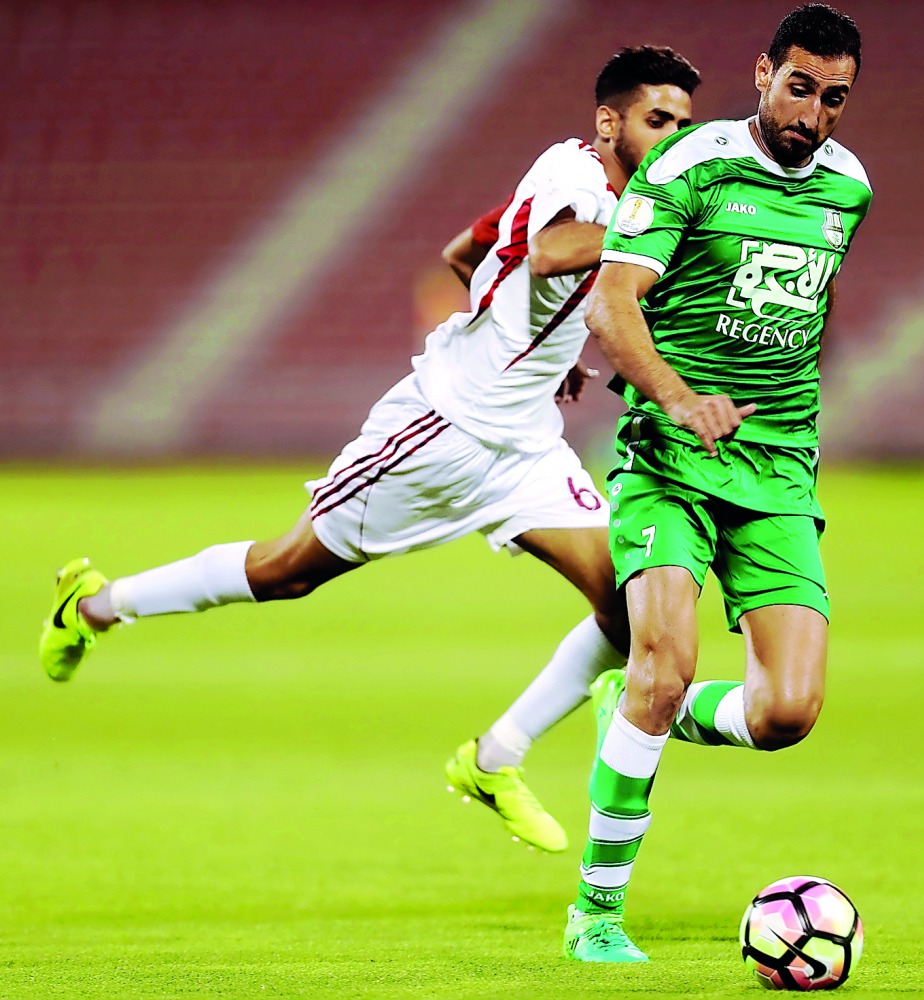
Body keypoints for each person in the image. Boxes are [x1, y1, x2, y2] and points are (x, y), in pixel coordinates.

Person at [39, 46, 702, 856]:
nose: (671, 137)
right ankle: (96, 606)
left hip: (524, 447)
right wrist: (648, 236)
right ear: (610, 123)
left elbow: (469, 250)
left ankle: (493, 759)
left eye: (682, 125)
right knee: (287, 571)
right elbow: (550, 252)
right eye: (656, 120)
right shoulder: (583, 186)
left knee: (627, 609)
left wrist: (543, 354)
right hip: (439, 431)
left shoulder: (587, 178)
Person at [561, 4, 872, 963]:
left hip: (776, 468)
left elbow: (789, 317)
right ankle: (596, 913)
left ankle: (637, 707)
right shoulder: (689, 166)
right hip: (668, 454)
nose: (812, 113)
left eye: (833, 98)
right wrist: (676, 395)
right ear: (762, 72)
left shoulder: (849, 188)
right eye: (797, 87)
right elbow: (614, 302)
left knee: (787, 713)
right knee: (664, 660)